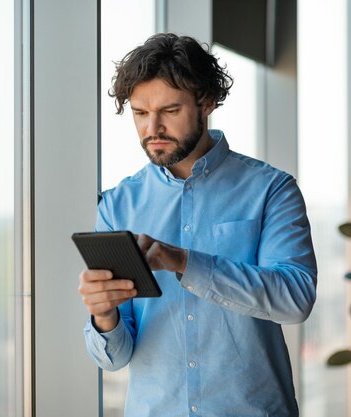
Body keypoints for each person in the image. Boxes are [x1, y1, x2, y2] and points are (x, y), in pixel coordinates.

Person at [78, 33, 317, 417]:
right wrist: (103, 316)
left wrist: (185, 261)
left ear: (207, 103)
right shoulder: (116, 205)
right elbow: (114, 358)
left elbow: (295, 300)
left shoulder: (271, 189)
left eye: (169, 111)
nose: (152, 128)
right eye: (140, 113)